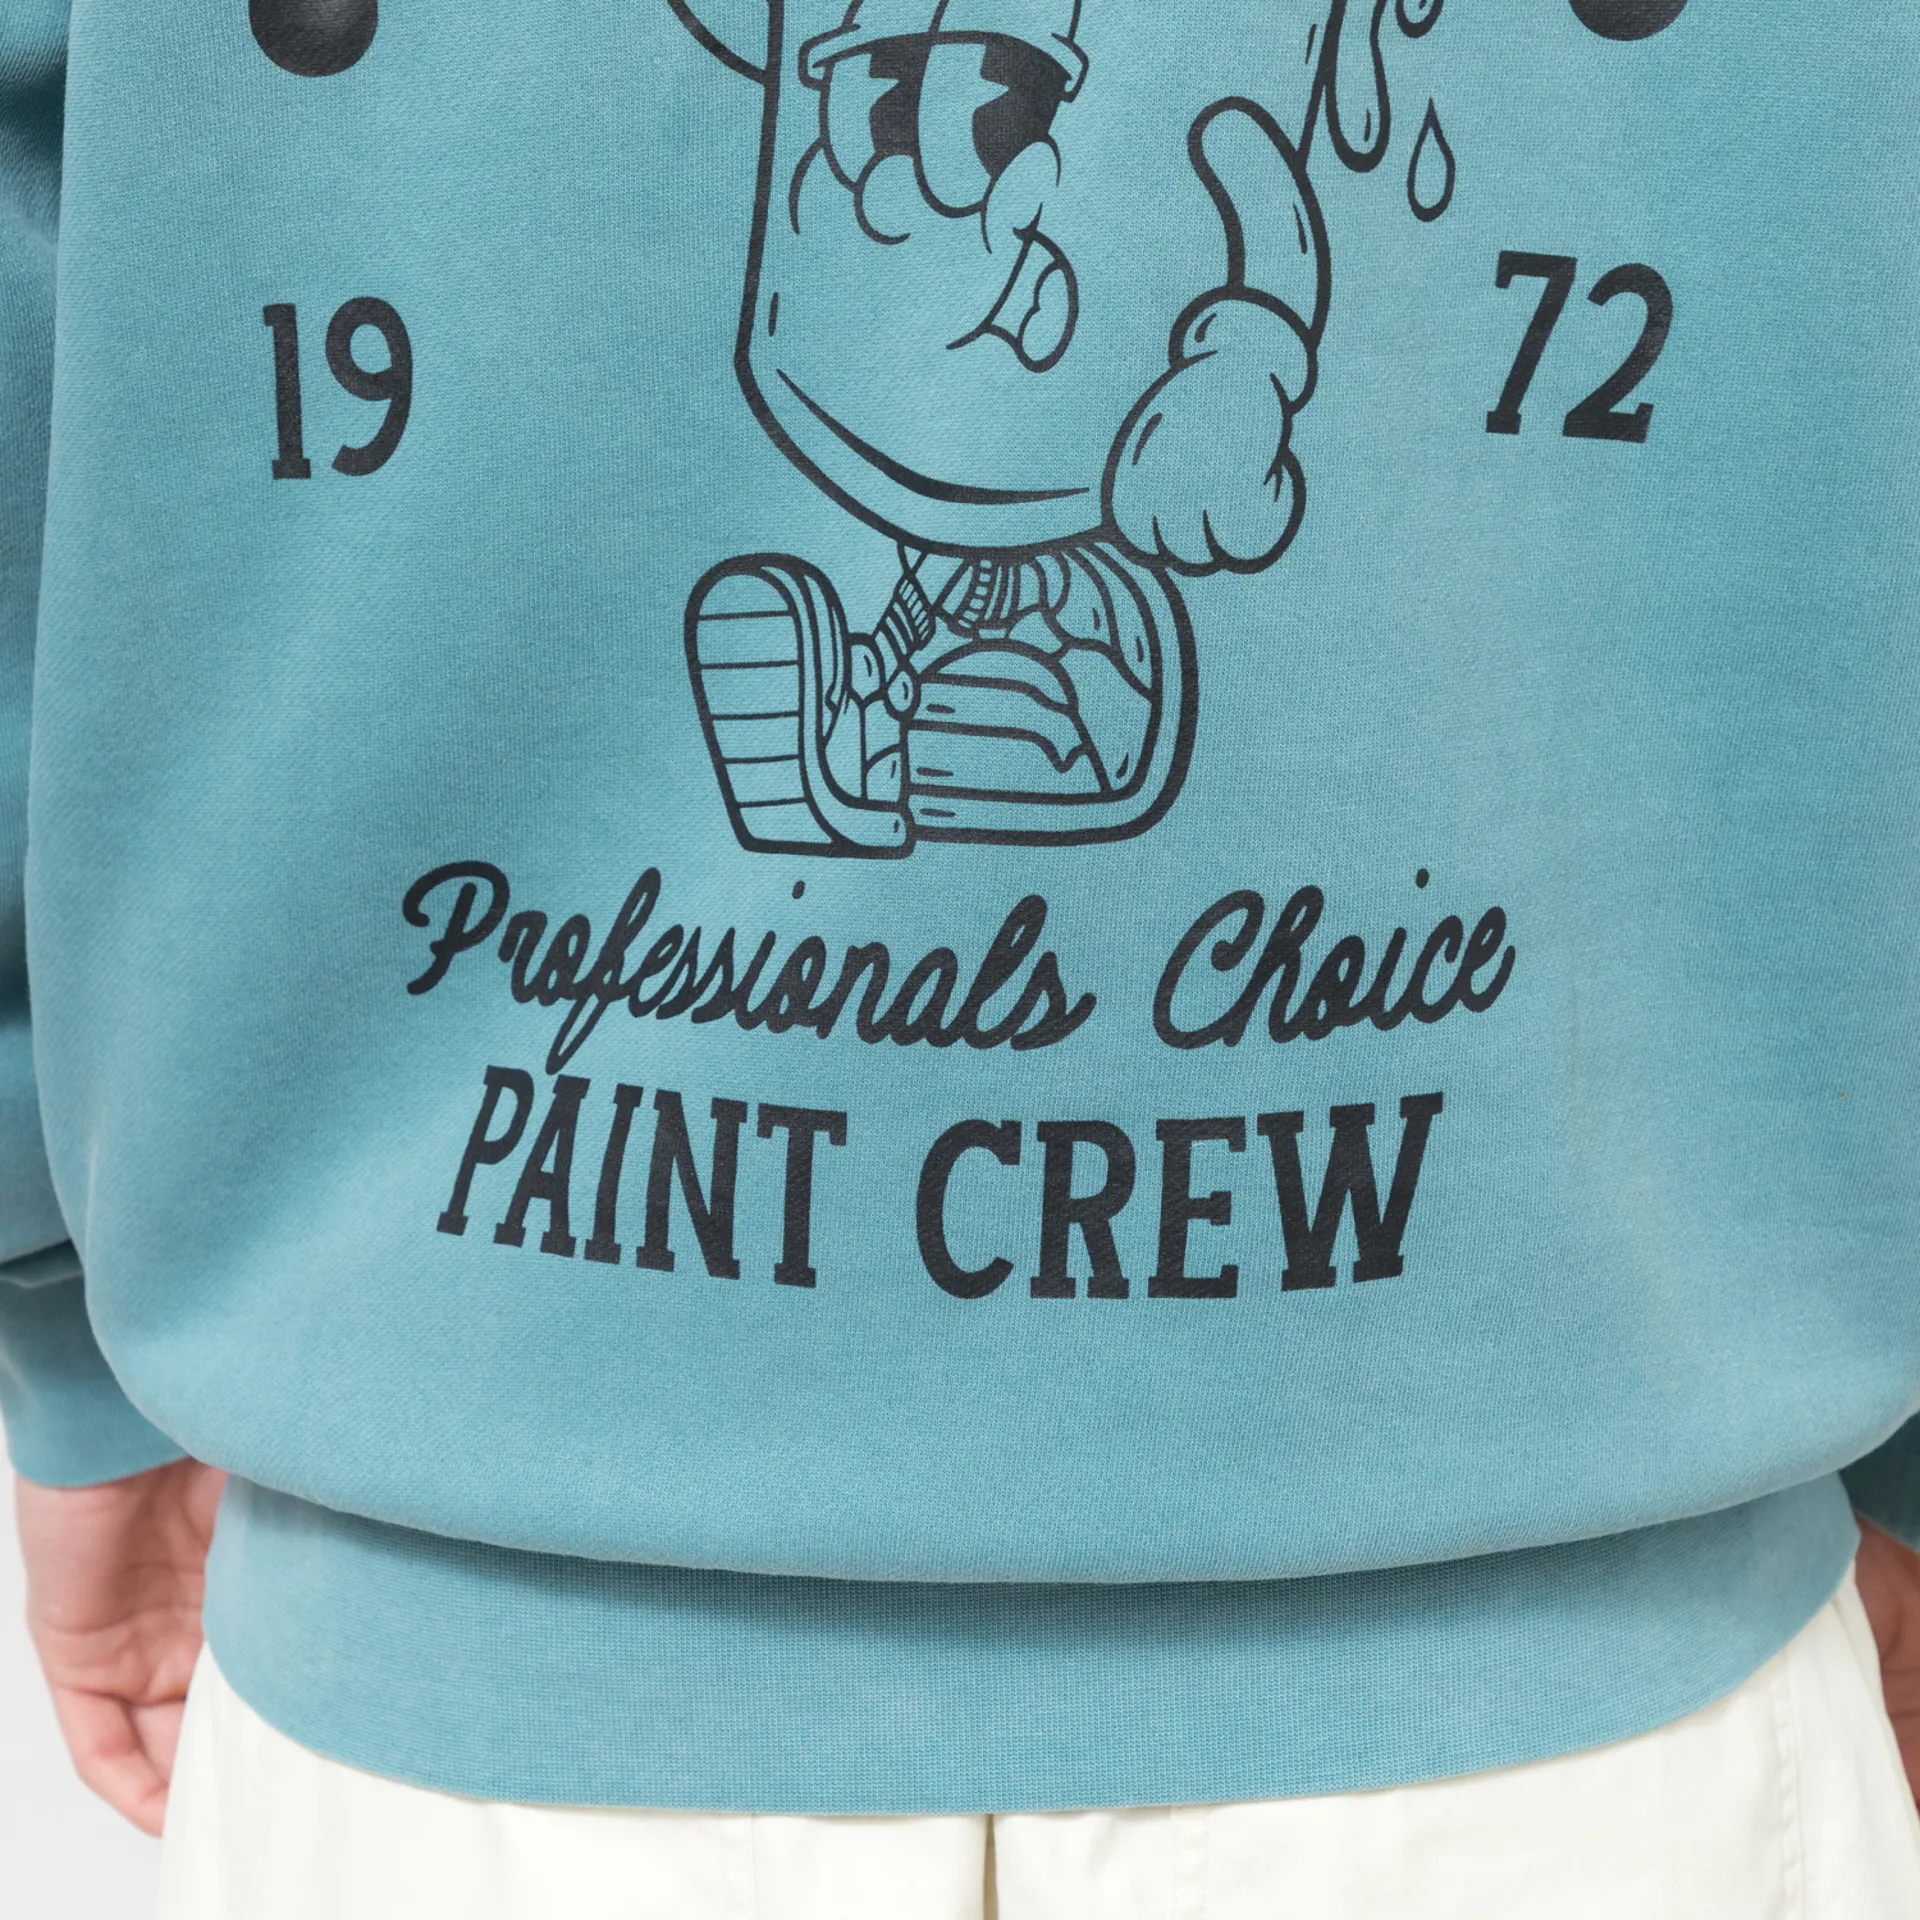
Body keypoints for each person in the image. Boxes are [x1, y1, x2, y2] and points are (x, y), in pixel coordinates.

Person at [7, 0, 1920, 1912]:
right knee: (1049, 634)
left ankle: (919, 714)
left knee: (1043, 618)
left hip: (458, 1612)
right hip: (1578, 1642)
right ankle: (936, 708)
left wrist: (58, 1307)